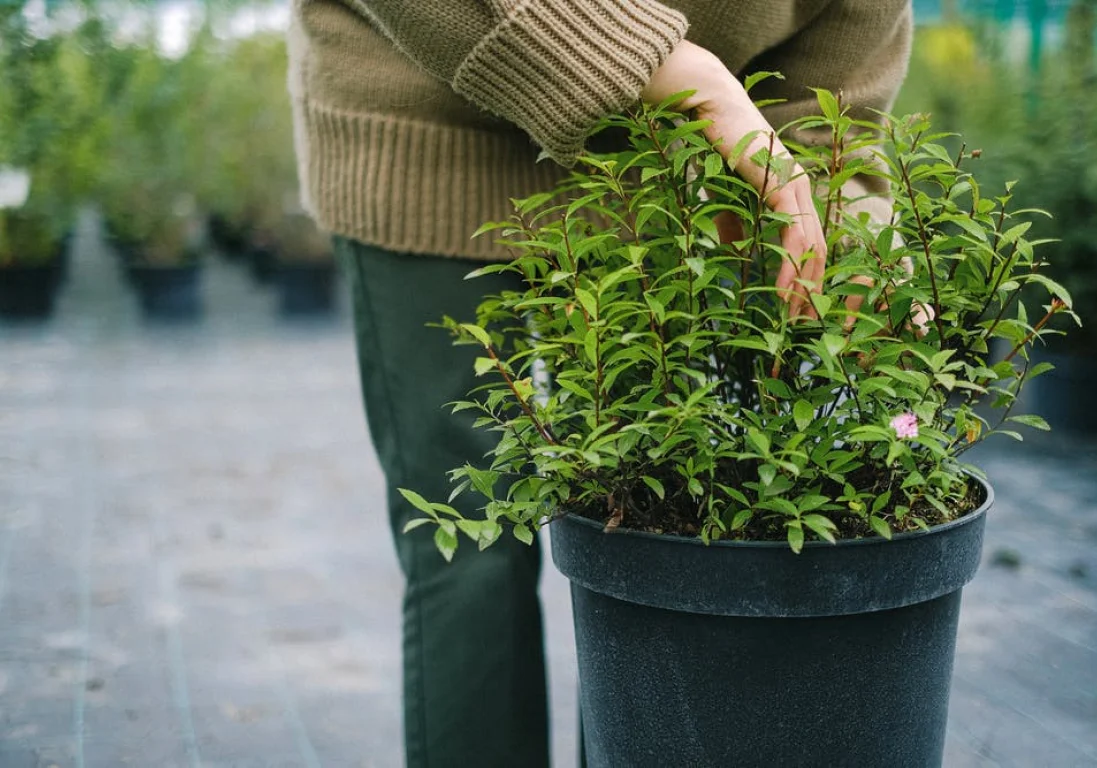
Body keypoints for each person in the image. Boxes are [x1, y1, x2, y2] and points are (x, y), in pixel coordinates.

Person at [286, 1, 911, 765]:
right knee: (467, 547)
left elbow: (824, 112)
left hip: (663, 177)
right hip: (426, 132)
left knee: (653, 544)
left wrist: (849, 234)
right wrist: (671, 69)